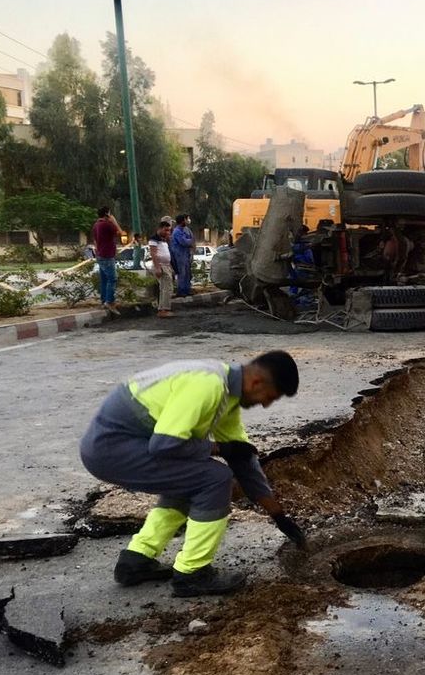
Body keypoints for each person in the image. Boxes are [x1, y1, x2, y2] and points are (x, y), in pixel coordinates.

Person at [78, 352, 307, 597]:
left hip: (118, 446)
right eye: (270, 397)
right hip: (111, 448)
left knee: (192, 479)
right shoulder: (208, 385)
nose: (265, 404)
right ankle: (193, 573)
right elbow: (164, 445)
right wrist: (217, 448)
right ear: (256, 383)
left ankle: (136, 560)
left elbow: (244, 461)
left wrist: (279, 515)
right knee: (215, 478)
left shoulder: (226, 396)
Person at [93, 207, 122, 315]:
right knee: (112, 279)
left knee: (104, 279)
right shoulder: (106, 225)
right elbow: (120, 232)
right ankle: (109, 301)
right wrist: (114, 221)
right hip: (107, 255)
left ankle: (103, 300)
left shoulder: (96, 225)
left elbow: (95, 240)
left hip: (100, 254)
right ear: (107, 214)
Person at [147, 221, 174, 318]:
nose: (167, 232)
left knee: (168, 287)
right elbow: (154, 254)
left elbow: (166, 254)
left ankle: (164, 308)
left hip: (166, 265)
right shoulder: (154, 239)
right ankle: (163, 309)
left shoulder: (163, 240)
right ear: (160, 228)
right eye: (166, 230)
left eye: (169, 230)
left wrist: (170, 266)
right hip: (160, 265)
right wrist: (157, 267)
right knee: (165, 288)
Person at [171, 214, 195, 297]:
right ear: (182, 221)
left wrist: (190, 241)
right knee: (182, 273)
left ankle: (187, 289)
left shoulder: (186, 230)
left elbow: (191, 239)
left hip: (186, 254)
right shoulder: (177, 231)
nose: (187, 220)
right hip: (179, 255)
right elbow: (184, 242)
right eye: (186, 219)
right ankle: (181, 291)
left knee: (187, 273)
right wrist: (190, 241)